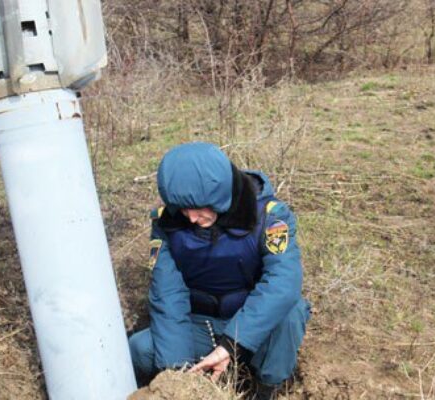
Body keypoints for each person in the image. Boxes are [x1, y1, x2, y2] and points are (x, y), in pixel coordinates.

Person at [128, 142, 310, 398]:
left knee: (291, 312)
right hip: (200, 324)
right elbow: (167, 294)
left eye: (198, 206)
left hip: (250, 326)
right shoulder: (166, 223)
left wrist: (232, 345)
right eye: (182, 208)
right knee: (140, 348)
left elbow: (283, 284)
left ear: (220, 193)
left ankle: (264, 388)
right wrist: (180, 379)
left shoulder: (268, 217)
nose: (190, 218)